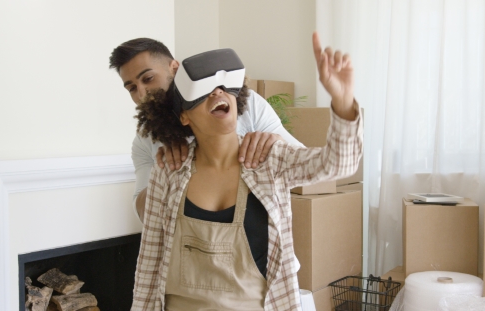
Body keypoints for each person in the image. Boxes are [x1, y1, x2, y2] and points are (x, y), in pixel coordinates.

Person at [131, 32, 363, 310]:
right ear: (184, 115)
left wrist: (343, 100)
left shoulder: (269, 159)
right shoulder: (167, 171)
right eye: (203, 91)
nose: (217, 92)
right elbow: (149, 262)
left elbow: (339, 164)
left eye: (223, 87)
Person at [108, 38, 303, 223]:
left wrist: (276, 143)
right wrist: (164, 172)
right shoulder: (146, 139)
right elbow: (143, 213)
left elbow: (304, 171)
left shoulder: (244, 103)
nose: (142, 93)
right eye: (132, 88)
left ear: (174, 68)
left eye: (148, 78)